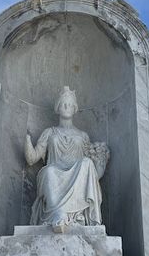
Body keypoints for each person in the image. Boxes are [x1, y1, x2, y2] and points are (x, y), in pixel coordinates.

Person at [25, 86, 108, 232]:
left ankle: (74, 215)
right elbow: (32, 159)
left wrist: (101, 161)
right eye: (63, 103)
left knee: (87, 162)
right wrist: (27, 140)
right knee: (49, 171)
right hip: (54, 172)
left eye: (69, 104)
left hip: (77, 176)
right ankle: (58, 214)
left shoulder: (83, 136)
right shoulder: (49, 132)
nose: (66, 106)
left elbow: (91, 174)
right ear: (58, 107)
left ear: (75, 108)